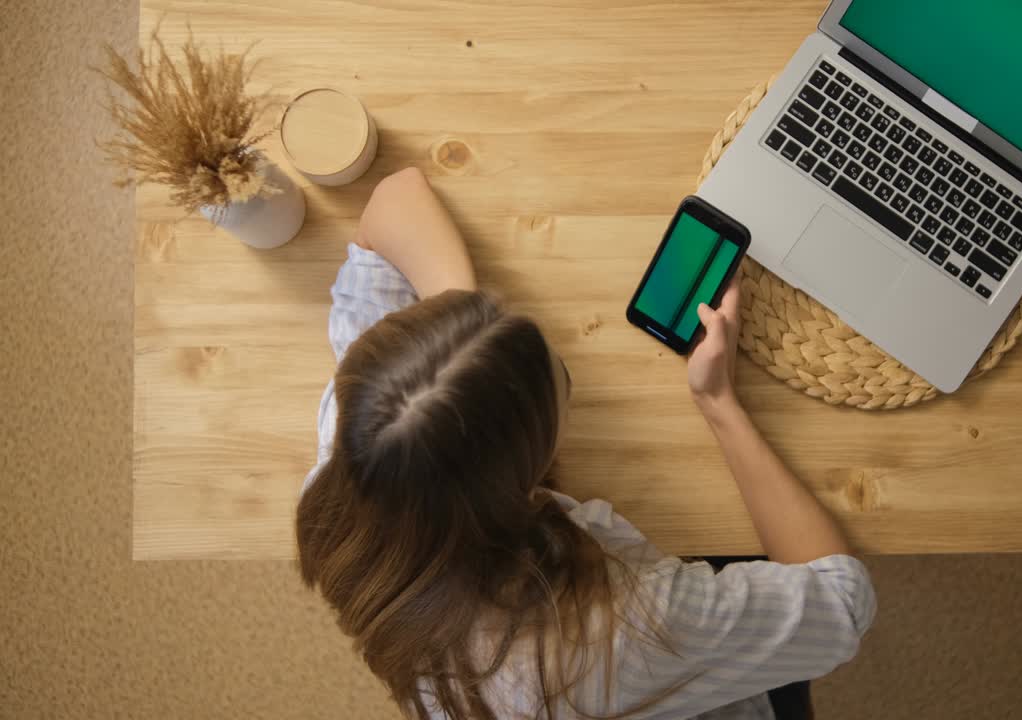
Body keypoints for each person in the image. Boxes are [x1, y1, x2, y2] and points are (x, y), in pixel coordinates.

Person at [296, 167, 876, 720]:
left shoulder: (358, 452)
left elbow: (392, 203)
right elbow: (843, 602)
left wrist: (463, 343)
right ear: (532, 462)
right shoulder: (619, 633)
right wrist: (719, 404)